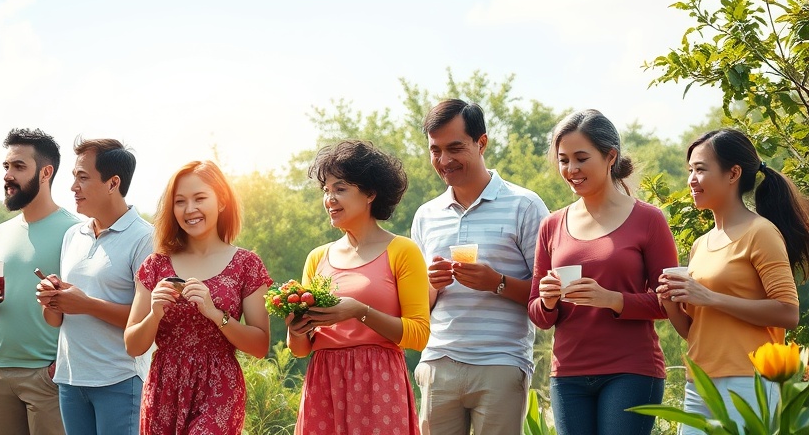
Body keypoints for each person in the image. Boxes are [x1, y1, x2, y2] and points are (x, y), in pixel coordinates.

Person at [527, 109, 677, 435]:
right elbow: (538, 315)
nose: (571, 169)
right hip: (568, 376)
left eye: (581, 158)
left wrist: (612, 300)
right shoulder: (551, 225)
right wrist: (549, 300)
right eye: (564, 160)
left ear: (610, 156)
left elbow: (668, 303)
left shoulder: (649, 220)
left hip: (632, 371)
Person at [411, 99, 550, 435]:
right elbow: (417, 307)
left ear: (481, 142)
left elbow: (549, 294)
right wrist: (431, 284)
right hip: (438, 362)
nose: (444, 160)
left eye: (455, 147)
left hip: (501, 362)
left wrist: (497, 282)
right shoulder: (425, 215)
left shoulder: (525, 205)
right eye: (435, 150)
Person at [658, 128, 807, 434]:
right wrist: (671, 304)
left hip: (747, 381)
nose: (691, 180)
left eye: (700, 169)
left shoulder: (760, 233)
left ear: (733, 173)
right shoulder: (701, 244)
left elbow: (788, 313)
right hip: (699, 383)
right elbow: (695, 332)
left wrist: (710, 297)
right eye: (690, 171)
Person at [286, 140, 430, 435]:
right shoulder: (317, 257)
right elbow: (300, 350)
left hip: (378, 382)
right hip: (323, 381)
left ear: (370, 194)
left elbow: (418, 335)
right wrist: (295, 327)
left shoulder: (402, 250)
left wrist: (358, 311)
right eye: (326, 190)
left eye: (340, 188)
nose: (329, 199)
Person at [124, 160, 271, 434]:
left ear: (222, 201)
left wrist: (216, 314)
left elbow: (260, 346)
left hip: (220, 389)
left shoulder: (246, 265)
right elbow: (133, 345)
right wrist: (154, 314)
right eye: (180, 201)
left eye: (199, 198)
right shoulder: (155, 265)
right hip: (163, 388)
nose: (190, 209)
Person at [36, 137, 154, 435]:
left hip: (118, 379)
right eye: (74, 177)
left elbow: (147, 321)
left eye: (83, 178)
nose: (73, 187)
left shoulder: (145, 239)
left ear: (113, 183)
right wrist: (51, 299)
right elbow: (56, 321)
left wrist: (85, 303)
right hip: (71, 379)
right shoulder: (73, 236)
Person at [0, 128, 79, 435]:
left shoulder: (75, 231)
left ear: (46, 172)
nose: (8, 175)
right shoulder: (0, 233)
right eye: (6, 167)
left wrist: (57, 367)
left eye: (19, 167)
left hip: (46, 375)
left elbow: (80, 305)